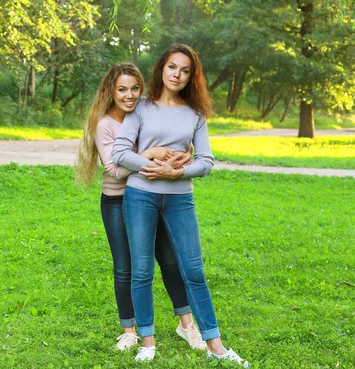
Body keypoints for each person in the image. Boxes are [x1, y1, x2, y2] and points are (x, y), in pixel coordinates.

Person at [112, 45, 249, 367]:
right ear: (162, 68)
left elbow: (206, 161)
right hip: (140, 195)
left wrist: (178, 171)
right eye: (172, 67)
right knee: (142, 271)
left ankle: (215, 344)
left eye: (185, 70)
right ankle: (147, 341)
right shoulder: (141, 108)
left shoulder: (196, 114)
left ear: (191, 76)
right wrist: (150, 163)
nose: (177, 74)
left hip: (180, 199)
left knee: (194, 271)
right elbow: (120, 152)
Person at [76, 62, 206, 353]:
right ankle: (129, 330)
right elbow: (115, 170)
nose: (129, 95)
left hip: (151, 194)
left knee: (169, 260)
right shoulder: (105, 124)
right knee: (126, 266)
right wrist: (147, 155)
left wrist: (175, 159)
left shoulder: (148, 111)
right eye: (122, 89)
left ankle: (187, 325)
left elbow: (175, 146)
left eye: (135, 88)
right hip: (117, 199)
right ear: (111, 90)